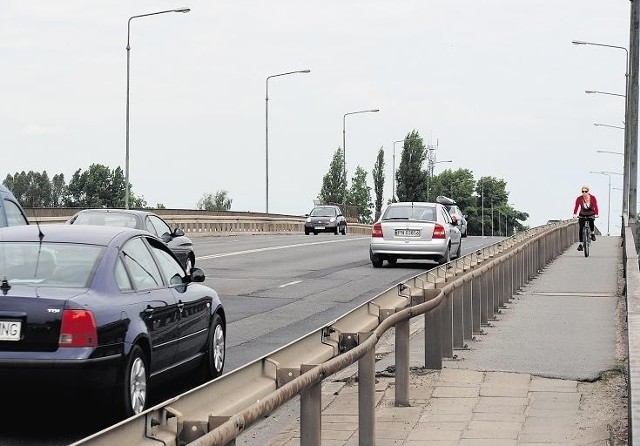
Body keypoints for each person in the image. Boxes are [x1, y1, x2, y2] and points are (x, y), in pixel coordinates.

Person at [572, 185, 599, 251]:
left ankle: (592, 233)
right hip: (582, 214)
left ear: (588, 191)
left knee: (591, 221)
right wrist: (575, 214)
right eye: (583, 191)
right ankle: (581, 244)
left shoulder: (592, 198)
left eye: (585, 191)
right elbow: (576, 206)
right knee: (581, 228)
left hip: (591, 213)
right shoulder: (579, 198)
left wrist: (596, 214)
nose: (584, 193)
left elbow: (595, 206)